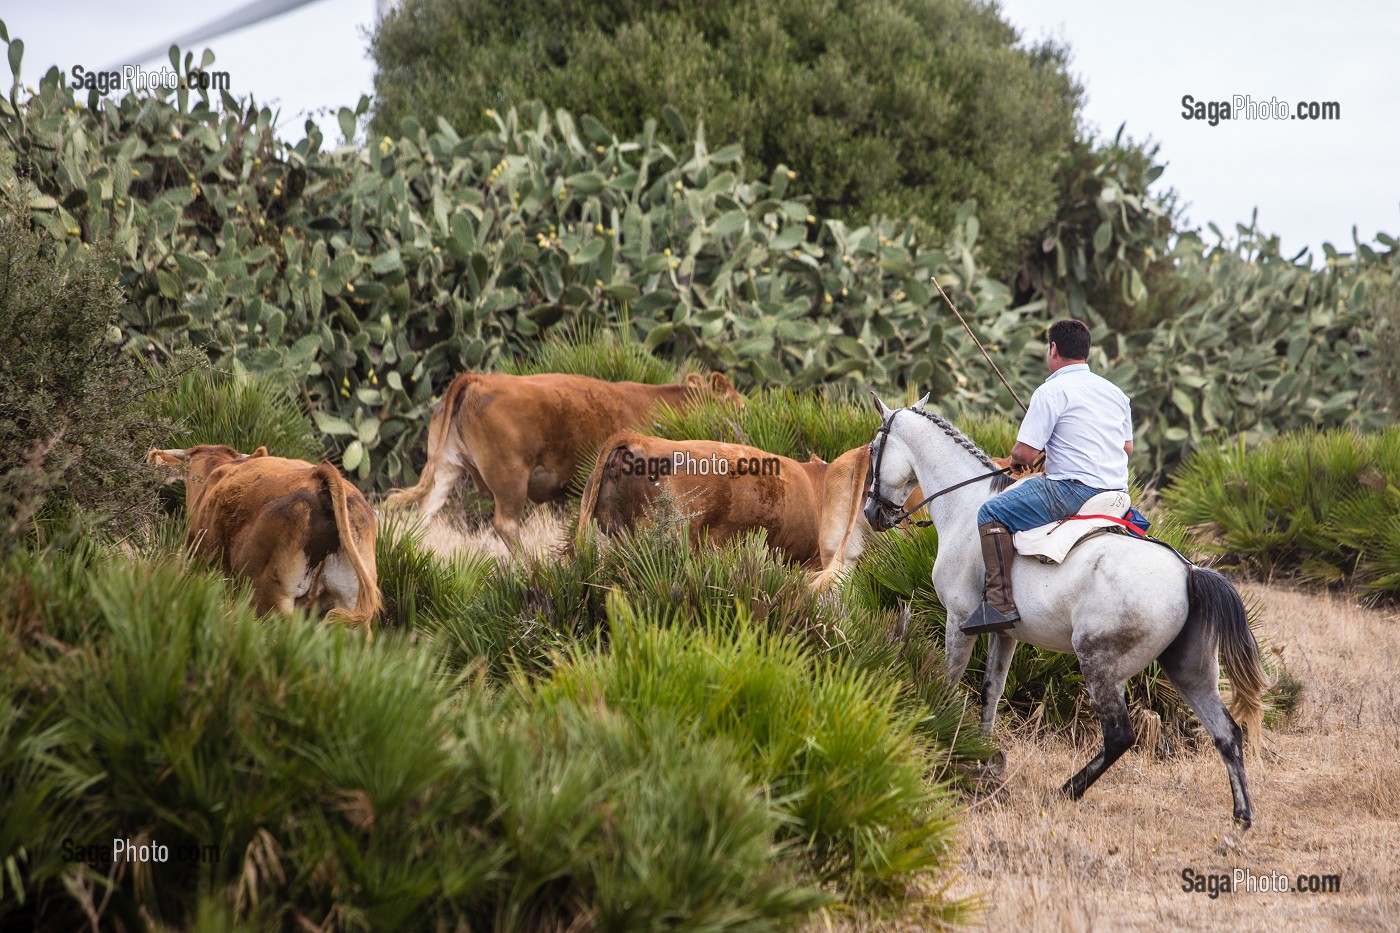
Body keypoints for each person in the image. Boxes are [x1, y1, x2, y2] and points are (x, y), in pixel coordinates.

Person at [962, 318, 1134, 635]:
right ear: (1086, 352)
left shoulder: (1051, 391)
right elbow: (1127, 447)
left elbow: (1025, 455)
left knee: (991, 511)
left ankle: (998, 604)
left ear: (1053, 349)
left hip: (1070, 492)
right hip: (1117, 495)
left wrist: (1016, 459)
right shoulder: (1116, 393)